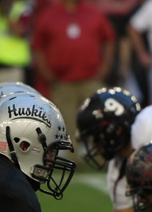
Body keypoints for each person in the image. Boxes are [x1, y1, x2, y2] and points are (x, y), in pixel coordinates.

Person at [32, 0, 116, 162]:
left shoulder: (94, 13)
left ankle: (101, 159)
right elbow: (38, 47)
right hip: (62, 82)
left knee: (98, 120)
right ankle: (72, 160)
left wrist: (105, 67)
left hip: (91, 79)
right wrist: (47, 74)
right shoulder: (48, 15)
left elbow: (109, 39)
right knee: (68, 124)